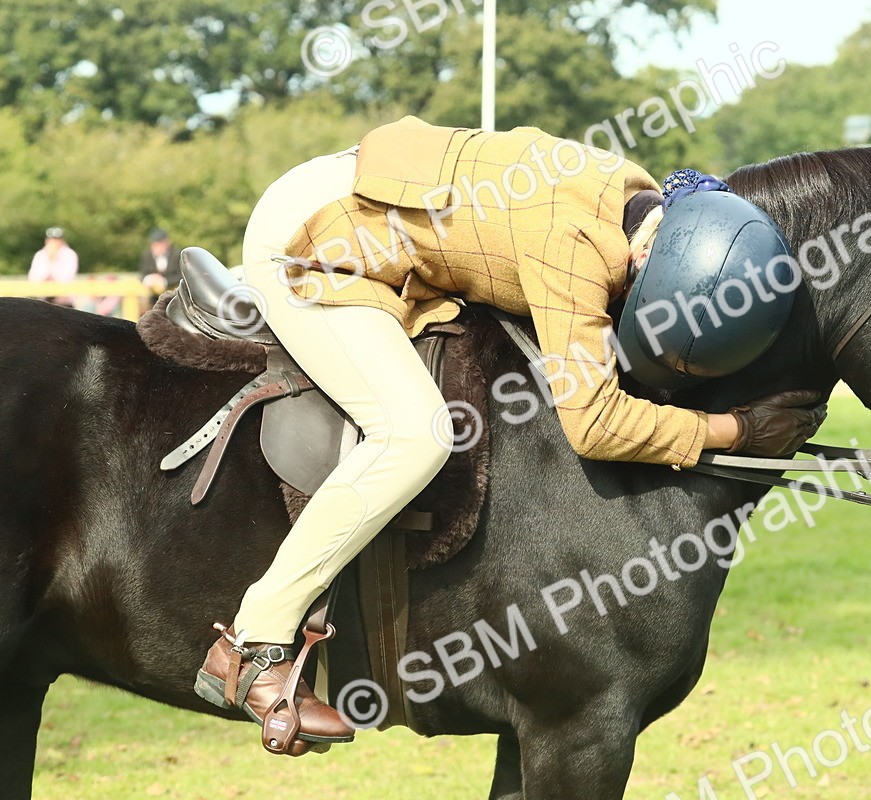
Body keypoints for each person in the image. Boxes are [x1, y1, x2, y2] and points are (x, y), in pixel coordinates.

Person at [194, 117, 827, 750]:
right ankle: (254, 643)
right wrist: (732, 429)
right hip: (309, 238)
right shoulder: (573, 250)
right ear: (644, 257)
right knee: (416, 433)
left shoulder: (637, 192)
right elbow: (596, 423)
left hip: (351, 193)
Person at [28, 226, 79, 307]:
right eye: (52, 240)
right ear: (47, 240)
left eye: (57, 240)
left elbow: (67, 278)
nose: (54, 242)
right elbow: (33, 278)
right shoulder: (40, 255)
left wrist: (53, 260)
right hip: (43, 302)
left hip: (64, 303)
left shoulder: (69, 254)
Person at [138, 228, 183, 297]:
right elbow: (142, 274)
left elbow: (181, 276)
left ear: (167, 242)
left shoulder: (177, 254)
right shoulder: (147, 255)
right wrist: (150, 278)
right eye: (155, 243)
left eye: (161, 243)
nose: (158, 246)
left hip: (174, 296)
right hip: (152, 297)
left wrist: (164, 281)